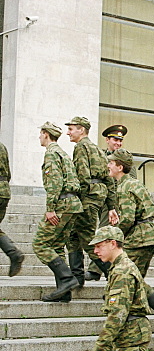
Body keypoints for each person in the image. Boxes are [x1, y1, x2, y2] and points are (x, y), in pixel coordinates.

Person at [107, 151, 154, 337]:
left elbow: (127, 218)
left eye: (111, 163)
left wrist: (115, 236)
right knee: (135, 281)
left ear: (120, 167)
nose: (108, 166)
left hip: (138, 239)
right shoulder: (133, 184)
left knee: (130, 279)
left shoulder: (124, 187)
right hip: (146, 236)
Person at [33, 121, 83, 302]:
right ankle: (64, 291)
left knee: (40, 244)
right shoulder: (62, 153)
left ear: (46, 134)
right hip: (72, 204)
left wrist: (50, 209)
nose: (39, 137)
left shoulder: (52, 154)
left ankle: (68, 280)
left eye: (40, 133)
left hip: (62, 204)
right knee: (56, 246)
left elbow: (54, 183)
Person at [65, 116, 111, 287]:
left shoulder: (81, 147)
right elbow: (109, 180)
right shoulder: (98, 149)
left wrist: (76, 200)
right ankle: (77, 279)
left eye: (71, 129)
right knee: (73, 237)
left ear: (81, 130)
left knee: (87, 239)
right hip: (96, 198)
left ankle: (114, 274)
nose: (68, 132)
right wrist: (111, 205)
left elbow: (82, 177)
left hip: (86, 199)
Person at [85, 124, 129, 282]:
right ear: (107, 140)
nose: (118, 143)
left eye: (120, 140)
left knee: (104, 232)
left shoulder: (124, 158)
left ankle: (96, 270)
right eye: (115, 140)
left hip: (116, 202)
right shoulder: (101, 156)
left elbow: (129, 181)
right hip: (99, 199)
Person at [0, 140, 24, 276]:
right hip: (4, 191)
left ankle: (13, 253)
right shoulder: (3, 145)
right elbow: (8, 173)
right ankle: (13, 253)